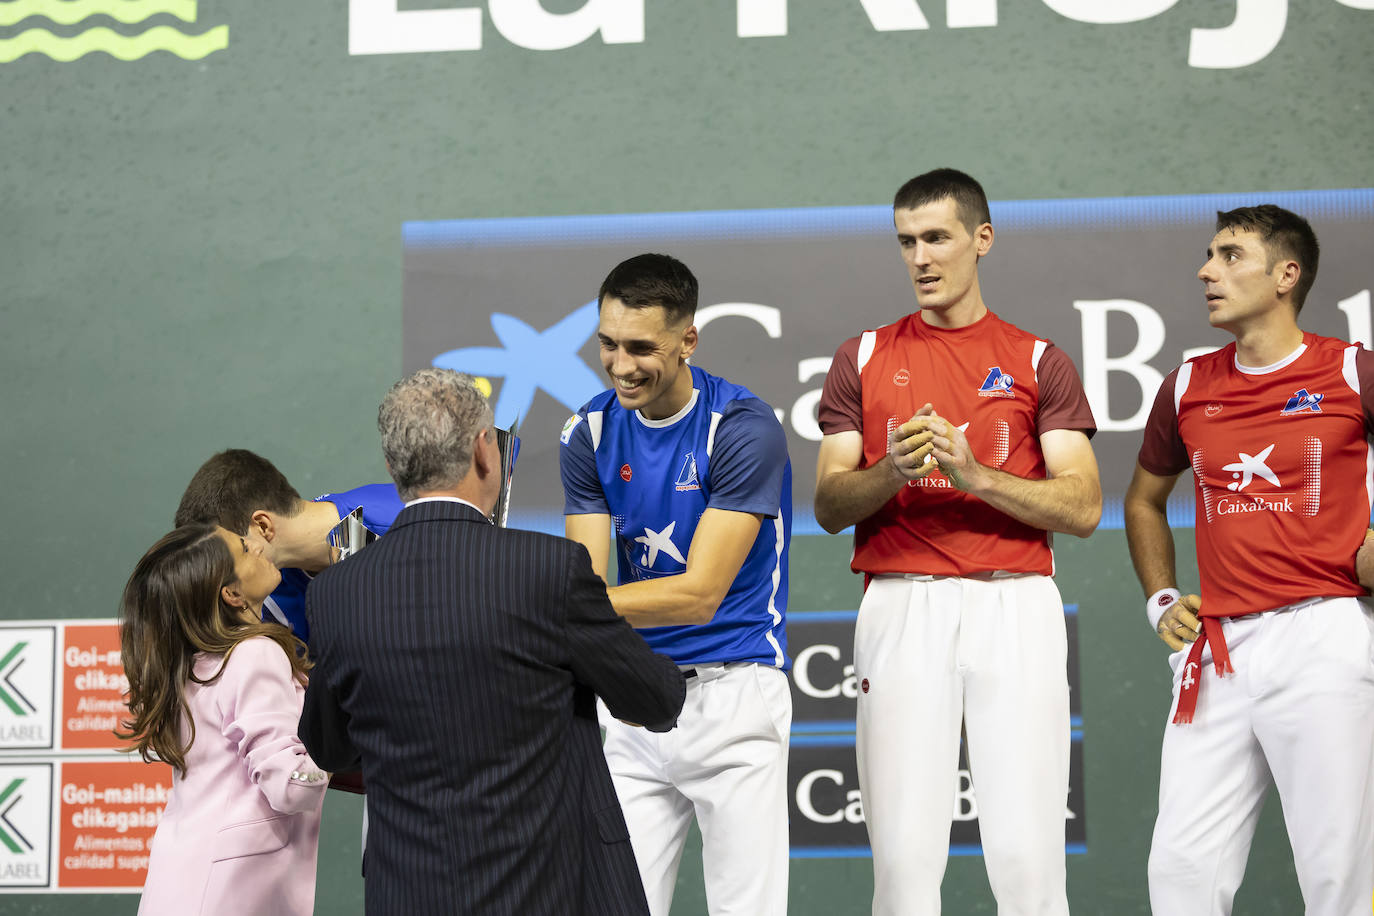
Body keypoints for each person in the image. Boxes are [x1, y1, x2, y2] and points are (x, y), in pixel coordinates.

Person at [814, 168, 1101, 916]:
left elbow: (1082, 504)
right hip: (904, 606)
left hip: (1017, 605)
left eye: (937, 238)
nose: (920, 258)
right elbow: (828, 503)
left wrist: (977, 475)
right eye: (906, 242)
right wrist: (891, 471)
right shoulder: (864, 356)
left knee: (1027, 853)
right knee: (905, 860)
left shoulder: (1039, 360)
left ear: (982, 239)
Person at [299, 367, 686, 916]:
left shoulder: (336, 594)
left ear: (393, 467)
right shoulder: (548, 570)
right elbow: (656, 699)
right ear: (487, 451)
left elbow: (329, 748)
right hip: (552, 895)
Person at [1124, 204, 1374, 915]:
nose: (1207, 271)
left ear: (1286, 275)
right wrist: (1162, 597)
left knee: (1336, 880)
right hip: (1218, 654)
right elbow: (1143, 501)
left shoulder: (1352, 372)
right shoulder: (1186, 385)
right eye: (1209, 255)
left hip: (1325, 639)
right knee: (1180, 876)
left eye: (1230, 255)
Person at [559, 253, 793, 916]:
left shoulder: (742, 429)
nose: (620, 364)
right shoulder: (588, 432)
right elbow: (590, 586)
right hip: (634, 702)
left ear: (688, 340)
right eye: (607, 343)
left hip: (736, 696)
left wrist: (562, 608)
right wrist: (575, 610)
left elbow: (699, 595)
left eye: (641, 348)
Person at [119, 523, 327, 916]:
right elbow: (292, 786)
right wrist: (332, 751)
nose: (260, 546)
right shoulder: (254, 654)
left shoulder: (191, 668)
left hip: (177, 887)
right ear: (231, 594)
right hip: (223, 896)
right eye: (246, 550)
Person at [174, 449, 403, 642]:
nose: (222, 576)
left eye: (230, 550)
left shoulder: (401, 520)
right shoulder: (264, 601)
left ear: (263, 526)